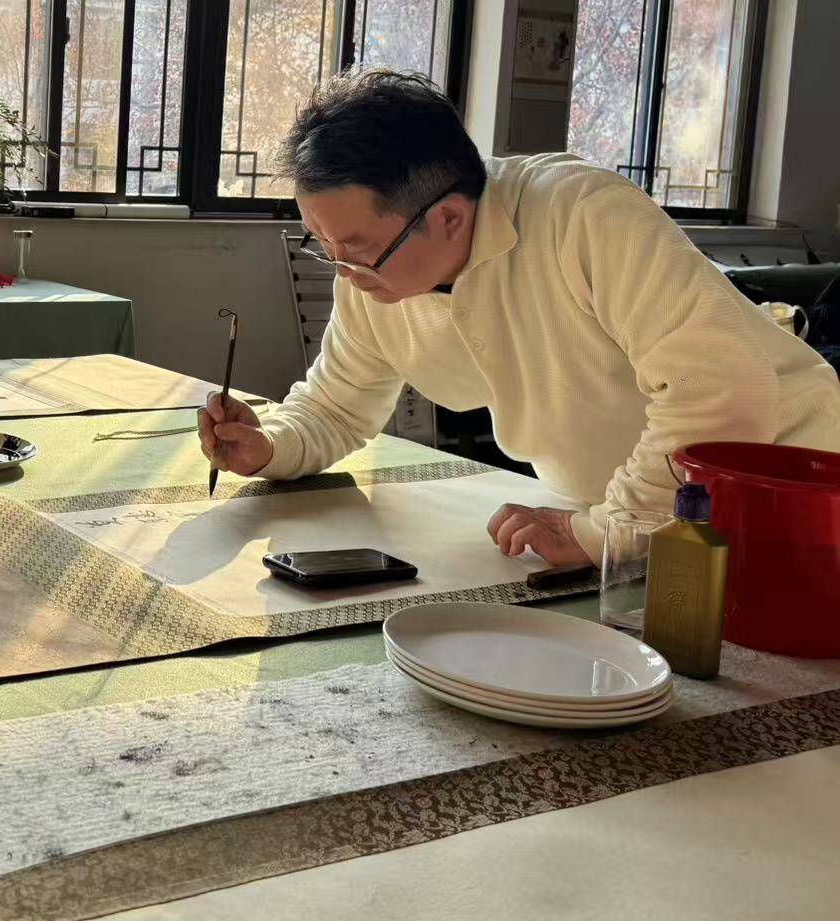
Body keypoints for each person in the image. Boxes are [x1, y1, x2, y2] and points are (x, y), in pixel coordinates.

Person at [197, 68, 840, 567]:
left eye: (358, 250)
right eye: (323, 245)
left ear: (449, 216)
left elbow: (721, 390)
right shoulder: (374, 280)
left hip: (791, 501)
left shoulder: (582, 216)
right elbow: (336, 407)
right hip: (625, 523)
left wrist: (603, 532)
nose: (343, 272)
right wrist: (270, 445)